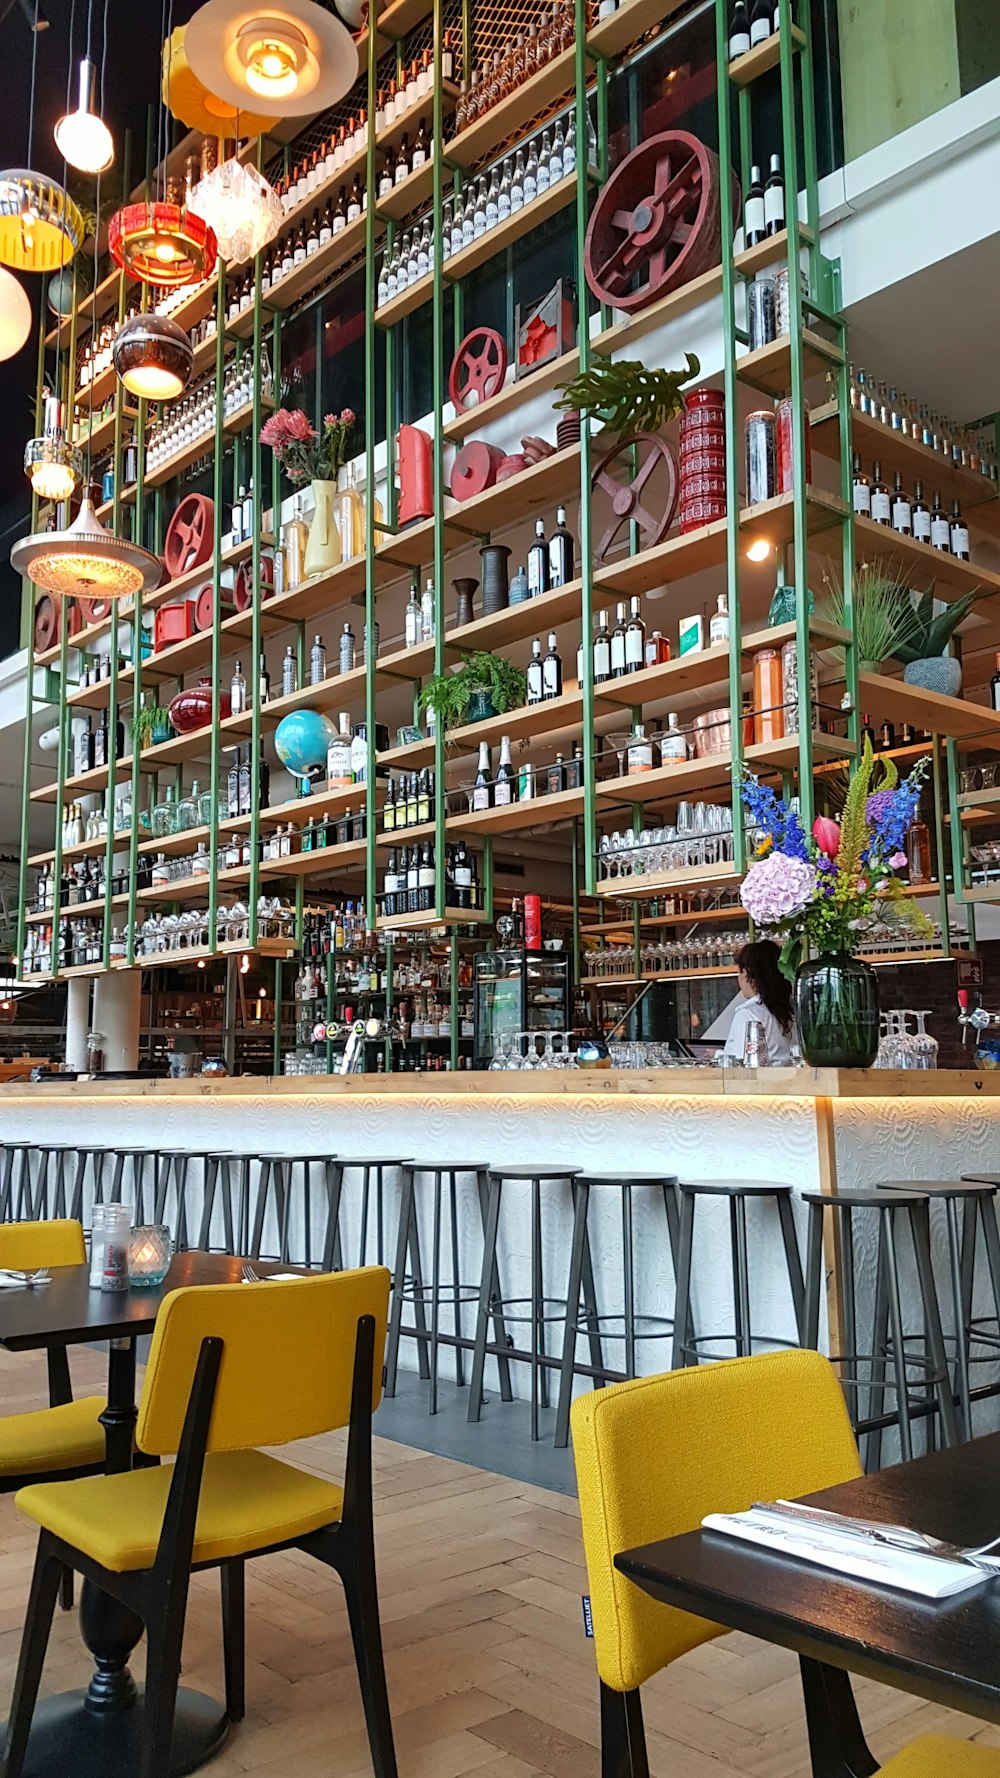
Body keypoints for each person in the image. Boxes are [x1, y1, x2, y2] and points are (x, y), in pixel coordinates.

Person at [722, 939, 795, 1065]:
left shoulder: (748, 1014)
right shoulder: (790, 1010)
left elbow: (741, 1064)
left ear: (745, 973)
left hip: (761, 1083)